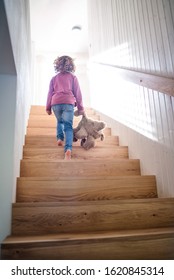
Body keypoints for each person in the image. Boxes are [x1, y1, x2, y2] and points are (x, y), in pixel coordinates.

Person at [46, 55, 85, 160]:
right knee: (68, 126)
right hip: (68, 102)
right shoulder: (73, 77)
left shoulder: (54, 79)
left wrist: (48, 107)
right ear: (71, 65)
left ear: (57, 65)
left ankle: (59, 138)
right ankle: (68, 149)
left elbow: (50, 93)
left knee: (60, 121)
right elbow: (78, 93)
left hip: (56, 103)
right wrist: (81, 108)